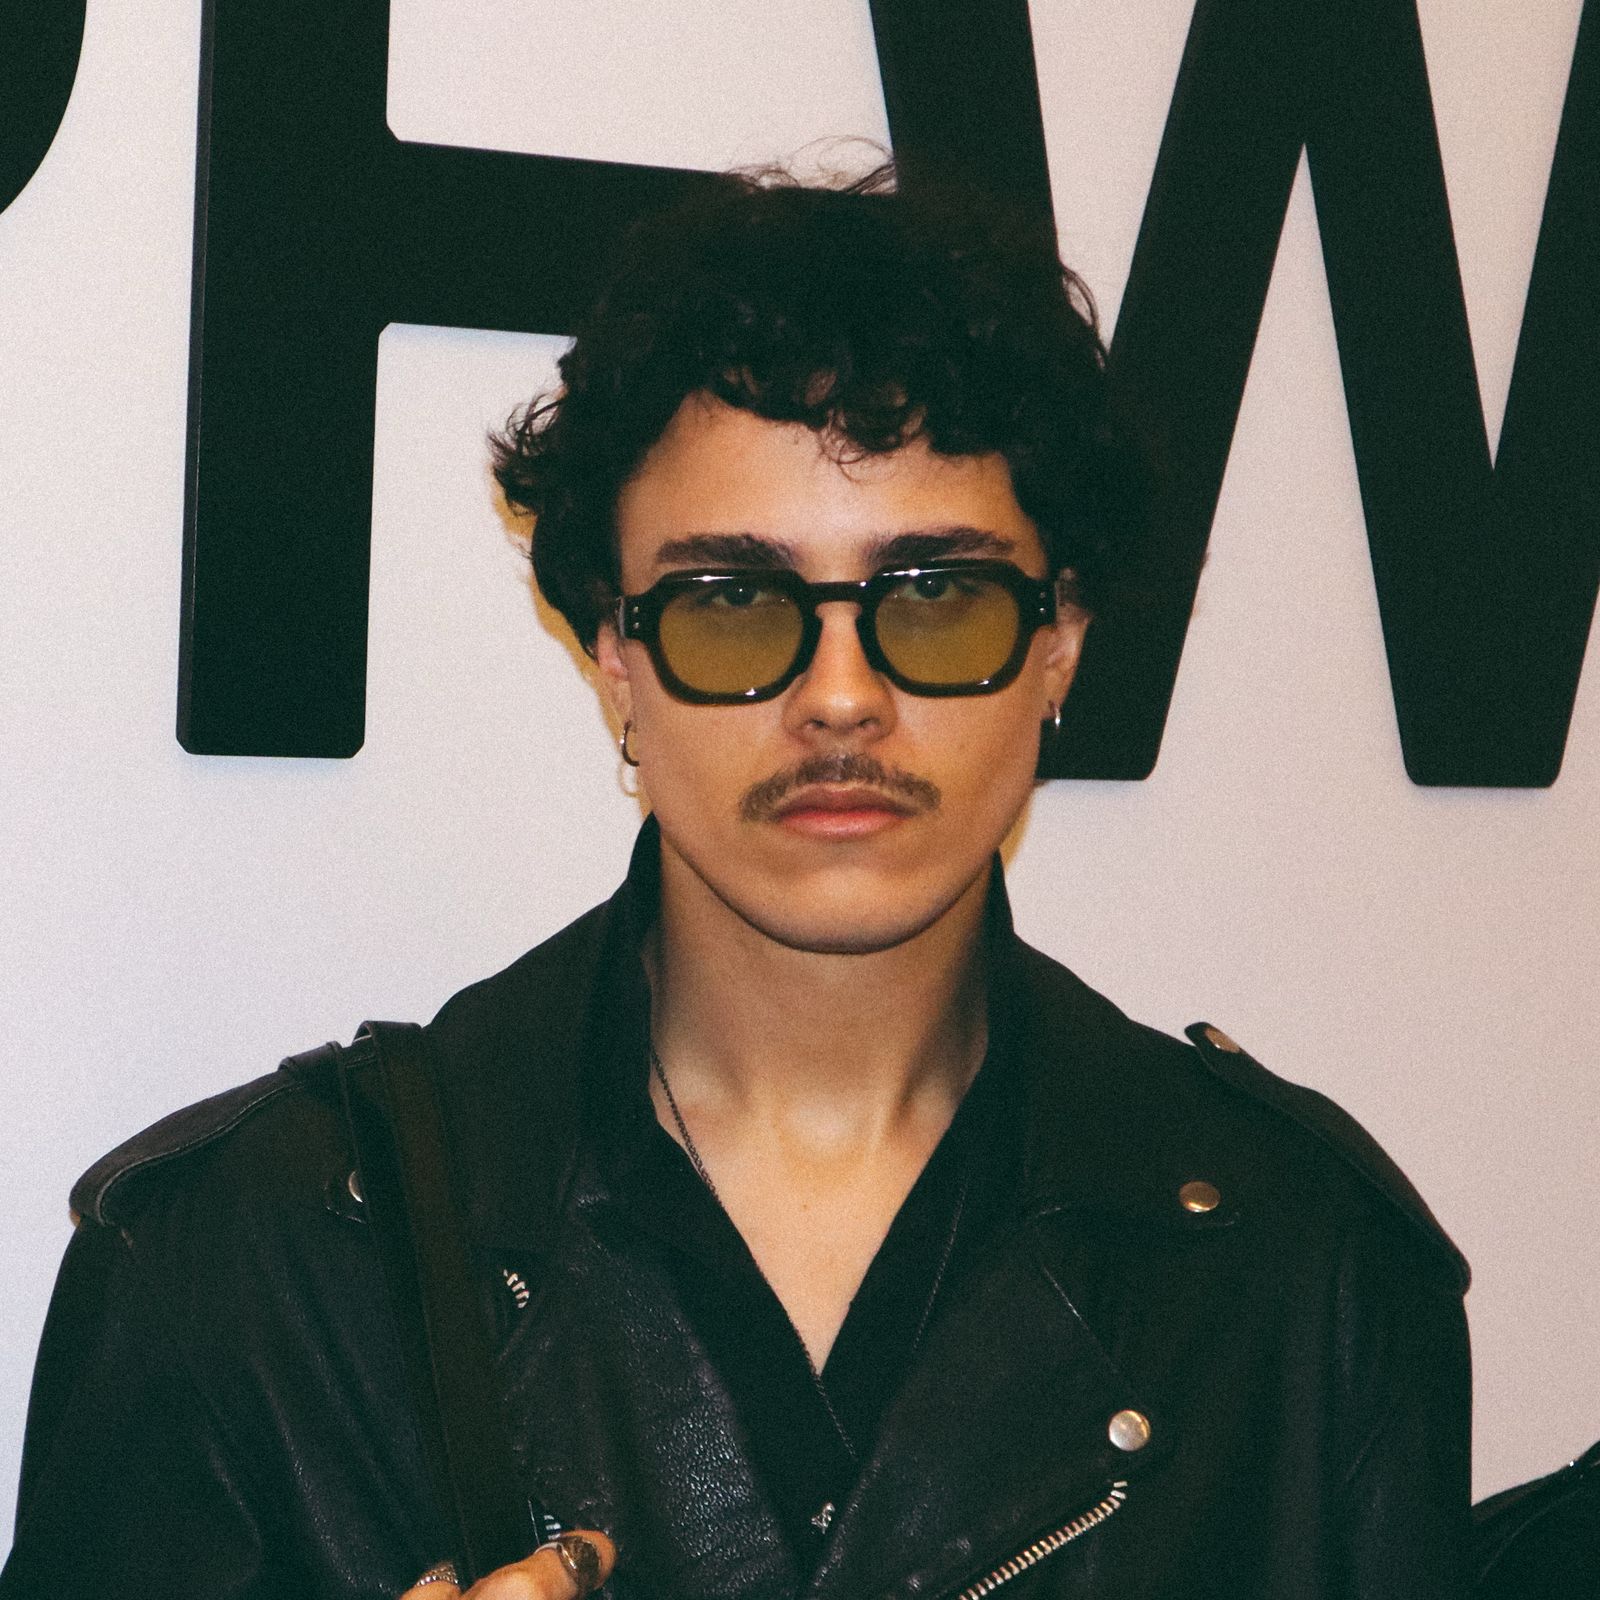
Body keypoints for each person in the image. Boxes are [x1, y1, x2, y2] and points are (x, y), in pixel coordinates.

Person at [2, 164, 1471, 1600]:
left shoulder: (1305, 1271)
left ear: (1060, 644)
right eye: (731, 605)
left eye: (935, 599)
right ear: (614, 658)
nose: (840, 700)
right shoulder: (246, 1268)